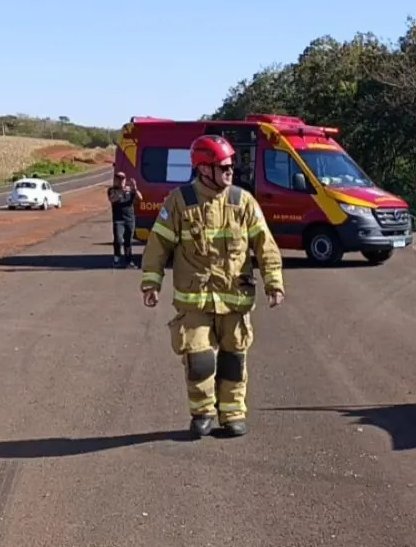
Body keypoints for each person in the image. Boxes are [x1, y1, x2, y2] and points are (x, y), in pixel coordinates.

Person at [139, 135, 286, 439]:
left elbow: (265, 245)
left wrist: (274, 282)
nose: (231, 171)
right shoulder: (179, 202)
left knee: (233, 359)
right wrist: (151, 281)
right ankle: (203, 413)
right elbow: (157, 245)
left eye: (232, 165)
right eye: (224, 166)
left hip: (235, 300)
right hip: (195, 301)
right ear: (204, 169)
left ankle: (232, 414)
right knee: (200, 360)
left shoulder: (243, 201)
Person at [107, 172, 142, 268]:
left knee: (128, 241)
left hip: (130, 219)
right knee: (118, 240)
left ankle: (129, 261)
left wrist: (134, 188)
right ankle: (116, 259)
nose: (121, 181)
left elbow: (140, 198)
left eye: (122, 179)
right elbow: (112, 199)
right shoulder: (112, 190)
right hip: (118, 220)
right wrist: (121, 192)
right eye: (118, 179)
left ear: (125, 180)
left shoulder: (130, 190)